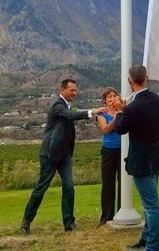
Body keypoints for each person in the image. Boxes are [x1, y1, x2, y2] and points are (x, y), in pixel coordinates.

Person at [21, 78, 103, 234]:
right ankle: (26, 222)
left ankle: (69, 223)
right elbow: (71, 115)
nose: (74, 93)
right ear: (63, 90)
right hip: (50, 155)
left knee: (69, 187)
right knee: (41, 188)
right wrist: (92, 112)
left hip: (64, 155)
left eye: (76, 90)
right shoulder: (57, 106)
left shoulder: (66, 105)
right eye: (72, 90)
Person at [114, 65, 159, 251]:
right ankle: (145, 239)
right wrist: (126, 109)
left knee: (151, 207)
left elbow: (120, 128)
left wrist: (120, 111)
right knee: (148, 204)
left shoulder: (132, 108)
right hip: (156, 157)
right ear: (146, 78)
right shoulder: (155, 99)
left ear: (130, 81)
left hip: (142, 162)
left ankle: (153, 247)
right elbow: (140, 116)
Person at [96, 87, 122, 226]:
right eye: (110, 96)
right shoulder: (102, 114)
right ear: (105, 100)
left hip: (122, 150)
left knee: (123, 182)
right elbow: (106, 129)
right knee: (108, 183)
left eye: (114, 96)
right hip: (109, 151)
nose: (112, 99)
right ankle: (106, 215)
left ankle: (121, 211)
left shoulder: (122, 112)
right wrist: (116, 117)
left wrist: (120, 112)